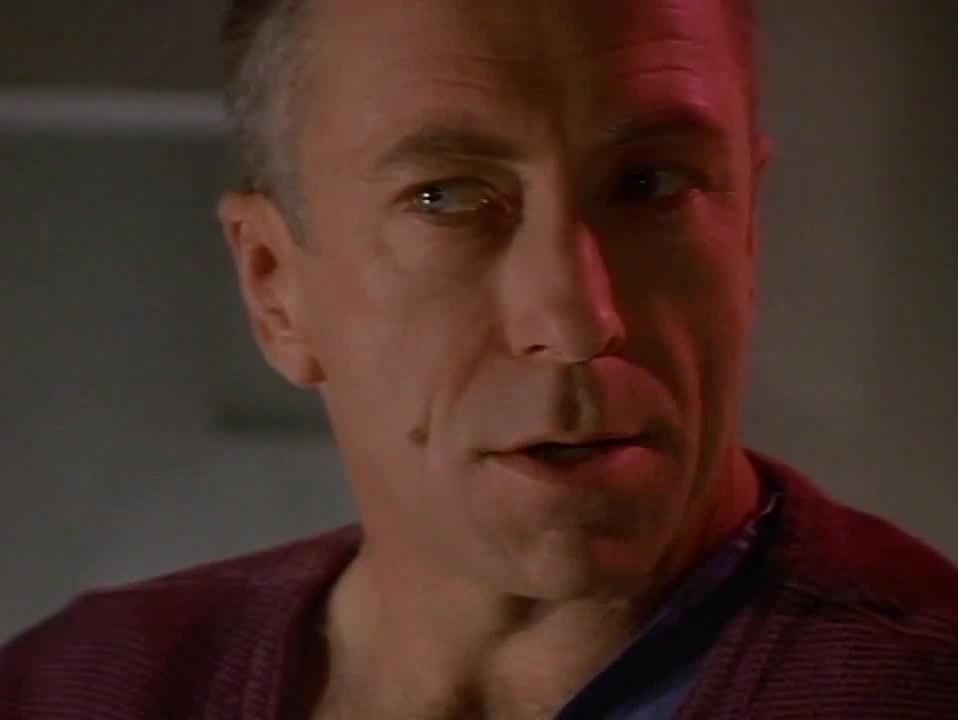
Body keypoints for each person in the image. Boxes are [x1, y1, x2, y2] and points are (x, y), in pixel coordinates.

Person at [2, 0, 957, 717]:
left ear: (748, 232)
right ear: (274, 288)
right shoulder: (80, 688)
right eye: (446, 199)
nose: (577, 321)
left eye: (652, 185)